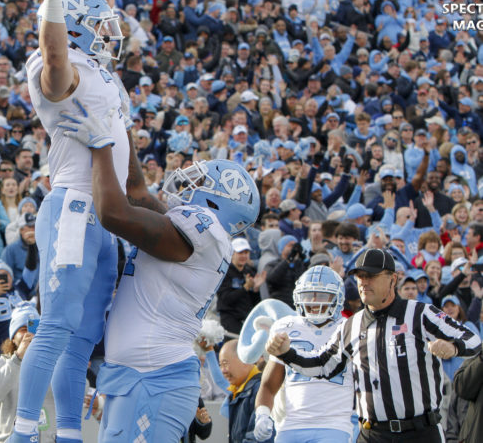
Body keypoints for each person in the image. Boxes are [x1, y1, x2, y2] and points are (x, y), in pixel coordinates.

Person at [57, 101, 260, 441]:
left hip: (154, 379)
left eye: (203, 180)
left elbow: (114, 213)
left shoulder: (206, 229)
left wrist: (100, 142)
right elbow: (136, 193)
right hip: (139, 375)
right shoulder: (198, 233)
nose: (191, 181)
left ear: (219, 201)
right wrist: (120, 126)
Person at [11, 0, 133, 442]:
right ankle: (22, 433)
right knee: (57, 326)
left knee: (82, 339)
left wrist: (103, 4)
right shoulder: (59, 65)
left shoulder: (102, 71)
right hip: (75, 206)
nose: (111, 34)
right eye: (100, 26)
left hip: (106, 215)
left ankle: (68, 434)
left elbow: (89, 54)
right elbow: (59, 59)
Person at [266, 248, 482, 442]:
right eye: (360, 276)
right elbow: (322, 366)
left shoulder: (420, 313)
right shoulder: (351, 325)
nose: (363, 282)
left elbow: (473, 339)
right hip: (373, 434)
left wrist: (453, 347)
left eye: (371, 276)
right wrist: (288, 353)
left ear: (393, 279)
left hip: (420, 432)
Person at [254, 266, 355, 443]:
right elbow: (269, 385)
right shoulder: (286, 327)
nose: (314, 301)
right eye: (308, 295)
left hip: (335, 424)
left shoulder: (350, 328)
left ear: (337, 298)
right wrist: (262, 414)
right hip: (291, 424)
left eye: (322, 295)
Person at [0, 303, 52, 443]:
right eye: (23, 329)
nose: (30, 334)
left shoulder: (52, 364)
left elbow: (78, 392)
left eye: (35, 328)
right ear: (13, 337)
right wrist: (18, 358)